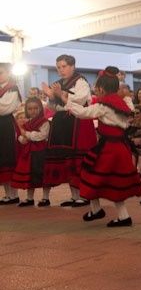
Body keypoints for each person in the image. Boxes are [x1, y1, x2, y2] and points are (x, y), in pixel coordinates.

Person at [62, 66, 141, 227]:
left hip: (109, 149)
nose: (94, 89)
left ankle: (108, 213)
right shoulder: (123, 103)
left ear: (101, 89)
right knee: (114, 181)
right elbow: (130, 109)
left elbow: (83, 113)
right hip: (121, 147)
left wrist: (67, 101)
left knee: (91, 174)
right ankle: (111, 213)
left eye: (96, 86)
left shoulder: (104, 105)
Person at [41, 55, 96, 207]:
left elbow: (80, 100)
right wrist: (52, 97)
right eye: (58, 67)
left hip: (78, 121)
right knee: (67, 158)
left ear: (73, 66)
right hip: (62, 122)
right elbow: (52, 107)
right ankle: (74, 196)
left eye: (64, 66)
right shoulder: (58, 83)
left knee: (79, 158)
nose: (61, 70)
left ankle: (84, 196)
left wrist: (59, 96)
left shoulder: (81, 81)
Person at [12, 98, 50, 207]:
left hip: (41, 152)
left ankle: (45, 198)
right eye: (30, 109)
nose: (33, 111)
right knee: (30, 175)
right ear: (26, 110)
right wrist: (22, 139)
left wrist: (27, 135)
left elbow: (42, 135)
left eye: (35, 108)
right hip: (29, 152)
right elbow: (20, 136)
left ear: (40, 108)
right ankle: (30, 198)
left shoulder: (44, 122)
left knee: (42, 174)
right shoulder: (27, 123)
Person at [0, 63, 21, 204]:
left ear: (8, 73)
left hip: (7, 124)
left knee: (9, 157)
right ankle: (8, 194)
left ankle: (14, 195)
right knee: (2, 159)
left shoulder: (12, 88)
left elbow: (6, 108)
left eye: (1, 72)